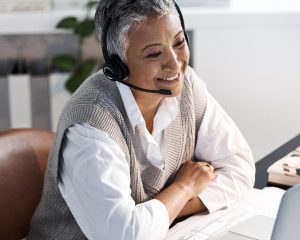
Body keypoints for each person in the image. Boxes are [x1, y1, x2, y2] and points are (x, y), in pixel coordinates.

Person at [28, 0, 255, 239]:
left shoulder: (186, 85)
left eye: (179, 42)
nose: (175, 64)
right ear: (118, 65)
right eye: (155, 54)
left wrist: (165, 212)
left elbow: (239, 168)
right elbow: (126, 235)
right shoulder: (90, 127)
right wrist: (184, 187)